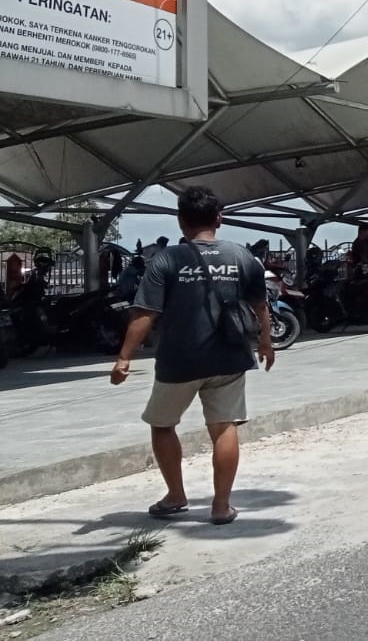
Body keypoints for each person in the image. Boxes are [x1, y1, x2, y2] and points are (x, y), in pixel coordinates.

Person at [110, 186, 273, 527]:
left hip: (178, 361)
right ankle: (221, 506)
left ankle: (176, 497)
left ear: (180, 220)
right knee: (224, 427)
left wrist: (124, 357)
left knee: (162, 424)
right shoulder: (242, 256)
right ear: (219, 219)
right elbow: (261, 305)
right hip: (229, 357)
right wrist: (266, 343)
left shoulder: (166, 259)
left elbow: (144, 313)